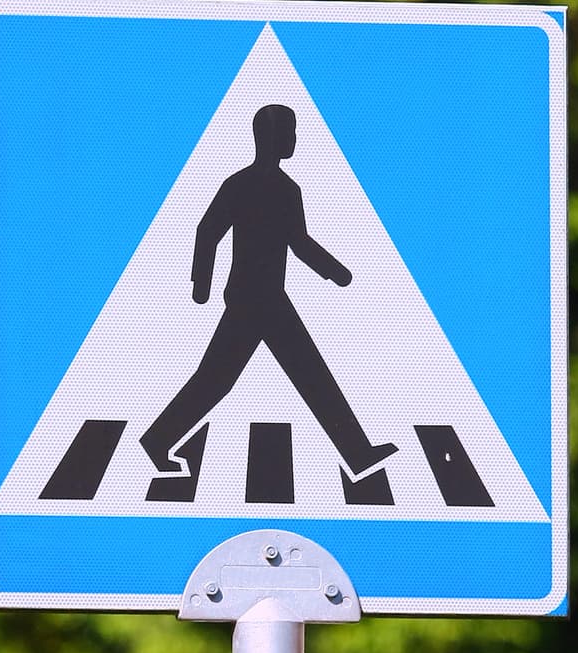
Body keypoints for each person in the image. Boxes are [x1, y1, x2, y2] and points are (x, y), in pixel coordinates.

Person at [140, 104, 397, 475]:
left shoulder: (272, 187)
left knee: (253, 377)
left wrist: (334, 271)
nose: (294, 140)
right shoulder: (257, 186)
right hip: (252, 301)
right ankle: (358, 453)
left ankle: (358, 453)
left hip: (263, 298)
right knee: (247, 378)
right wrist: (201, 286)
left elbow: (295, 242)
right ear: (273, 138)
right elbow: (208, 230)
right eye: (290, 133)